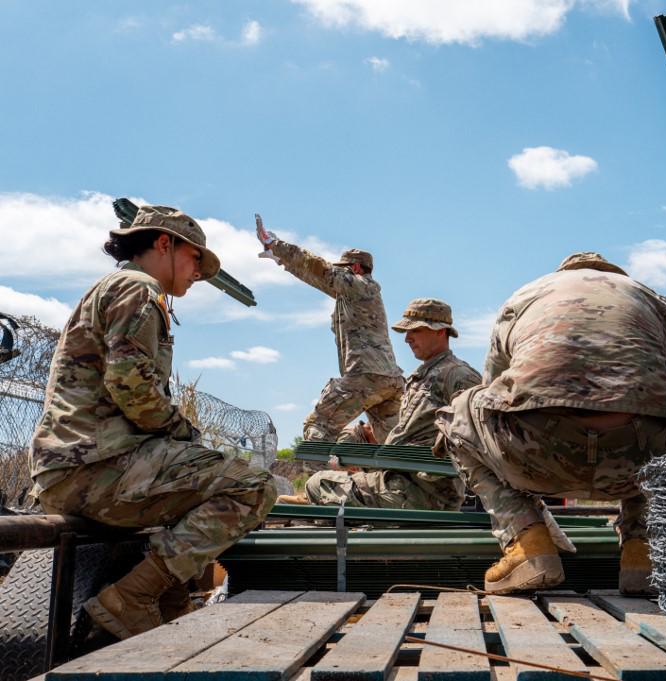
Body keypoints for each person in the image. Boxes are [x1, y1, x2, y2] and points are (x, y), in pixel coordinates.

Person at [30, 206, 276, 640]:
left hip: (83, 467)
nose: (198, 272)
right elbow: (133, 389)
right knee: (253, 485)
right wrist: (187, 434)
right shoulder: (138, 288)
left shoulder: (118, 288)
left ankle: (167, 598)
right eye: (194, 258)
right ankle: (134, 597)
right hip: (97, 467)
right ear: (164, 243)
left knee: (196, 488)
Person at [435, 252, 666, 594]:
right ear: (614, 275)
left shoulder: (525, 296)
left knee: (456, 415)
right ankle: (643, 552)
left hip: (537, 449)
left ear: (565, 273)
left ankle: (527, 542)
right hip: (638, 457)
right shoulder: (653, 300)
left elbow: (494, 391)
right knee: (658, 420)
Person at [285, 299, 481, 510]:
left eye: (415, 330)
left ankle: (320, 502)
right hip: (402, 480)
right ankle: (324, 501)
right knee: (350, 441)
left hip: (422, 493)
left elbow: (476, 441)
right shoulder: (423, 376)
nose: (407, 338)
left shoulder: (459, 376)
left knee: (318, 483)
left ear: (440, 331)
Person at [256, 220, 404, 442]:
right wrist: (281, 259)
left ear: (354, 269)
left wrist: (275, 244)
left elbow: (319, 268)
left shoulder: (358, 284)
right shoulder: (361, 294)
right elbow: (316, 279)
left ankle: (319, 477)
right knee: (394, 443)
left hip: (365, 376)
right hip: (390, 380)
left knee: (318, 426)